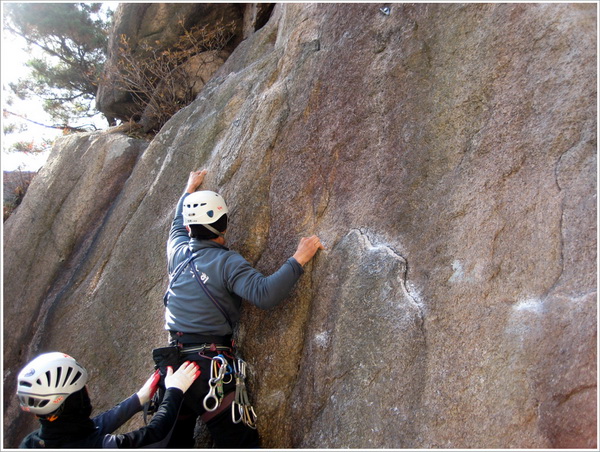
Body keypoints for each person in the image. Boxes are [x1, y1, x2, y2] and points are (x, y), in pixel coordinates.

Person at [157, 169, 324, 448]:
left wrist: (189, 189)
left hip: (172, 368)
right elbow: (264, 294)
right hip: (209, 369)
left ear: (188, 228)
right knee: (239, 442)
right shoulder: (227, 263)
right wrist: (299, 258)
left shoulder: (177, 250)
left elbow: (176, 222)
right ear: (224, 225)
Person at [17, 351, 200, 448]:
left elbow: (85, 431)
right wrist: (175, 389)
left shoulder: (32, 443)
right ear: (73, 402)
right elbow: (154, 435)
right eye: (81, 390)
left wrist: (139, 399)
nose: (87, 391)